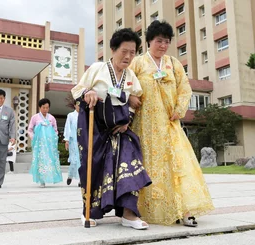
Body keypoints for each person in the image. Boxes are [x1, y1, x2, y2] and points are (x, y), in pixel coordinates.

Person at [129, 20, 214, 226]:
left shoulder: (173, 63)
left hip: (169, 124)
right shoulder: (138, 63)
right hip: (145, 126)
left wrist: (179, 109)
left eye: (167, 42)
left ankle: (184, 210)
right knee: (150, 167)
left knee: (179, 165)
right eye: (159, 41)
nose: (163, 46)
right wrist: (130, 97)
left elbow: (185, 89)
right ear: (149, 41)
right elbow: (126, 83)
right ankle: (150, 210)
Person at [71, 28, 152, 229]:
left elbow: (136, 102)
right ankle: (89, 212)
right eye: (124, 51)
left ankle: (128, 214)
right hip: (95, 127)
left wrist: (127, 121)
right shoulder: (97, 69)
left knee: (130, 163)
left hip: (121, 129)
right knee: (94, 166)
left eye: (133, 53)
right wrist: (88, 93)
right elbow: (77, 90)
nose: (128, 56)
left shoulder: (131, 76)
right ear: (113, 49)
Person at [28, 98, 63, 188]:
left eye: (47, 108)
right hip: (40, 145)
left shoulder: (51, 118)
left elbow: (55, 130)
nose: (45, 110)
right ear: (40, 107)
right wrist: (34, 138)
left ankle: (50, 177)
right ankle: (42, 180)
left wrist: (54, 138)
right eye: (43, 107)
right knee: (41, 161)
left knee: (49, 160)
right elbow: (30, 130)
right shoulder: (35, 117)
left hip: (49, 145)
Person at [63, 100, 81, 187]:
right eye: (78, 105)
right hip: (73, 140)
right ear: (74, 105)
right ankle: (70, 175)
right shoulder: (70, 116)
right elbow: (67, 127)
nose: (79, 107)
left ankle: (81, 180)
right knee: (74, 160)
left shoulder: (85, 115)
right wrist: (66, 140)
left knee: (81, 160)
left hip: (82, 141)